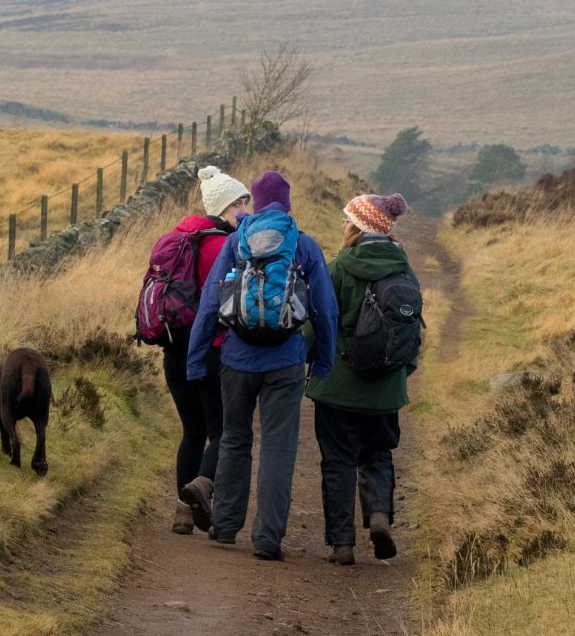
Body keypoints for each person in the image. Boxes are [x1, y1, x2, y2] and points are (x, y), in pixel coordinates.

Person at [187, 170, 337, 561]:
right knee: (277, 449)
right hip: (286, 361)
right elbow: (325, 310)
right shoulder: (303, 244)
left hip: (236, 358)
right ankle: (268, 539)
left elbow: (210, 304)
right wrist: (322, 363)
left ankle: (225, 526)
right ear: (287, 203)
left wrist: (196, 361)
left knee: (234, 439)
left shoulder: (236, 241)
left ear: (254, 201)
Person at [306, 192, 416, 565]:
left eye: (347, 219)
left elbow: (318, 320)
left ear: (358, 226)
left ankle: (342, 544)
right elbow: (412, 331)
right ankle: (379, 516)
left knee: (338, 462)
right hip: (385, 389)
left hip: (338, 387)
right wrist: (401, 373)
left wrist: (306, 359)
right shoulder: (403, 269)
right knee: (378, 455)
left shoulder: (339, 267)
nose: (343, 224)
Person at [163, 165, 250, 535]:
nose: (245, 210)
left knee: (192, 432)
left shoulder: (178, 238)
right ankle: (201, 489)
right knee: (223, 431)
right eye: (238, 204)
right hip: (210, 350)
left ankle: (183, 513)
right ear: (222, 207)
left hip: (173, 349)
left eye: (246, 201)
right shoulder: (224, 246)